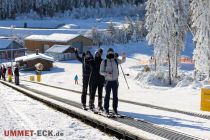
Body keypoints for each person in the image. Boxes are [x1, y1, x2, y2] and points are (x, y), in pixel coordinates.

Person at [100, 48, 126, 115]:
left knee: (115, 96)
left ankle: (115, 109)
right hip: (107, 81)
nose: (111, 53)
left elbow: (123, 61)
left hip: (115, 81)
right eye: (110, 52)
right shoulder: (104, 62)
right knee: (107, 96)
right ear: (107, 53)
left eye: (112, 52)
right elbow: (101, 72)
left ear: (113, 53)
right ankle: (106, 109)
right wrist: (106, 73)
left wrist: (123, 56)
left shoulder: (116, 61)